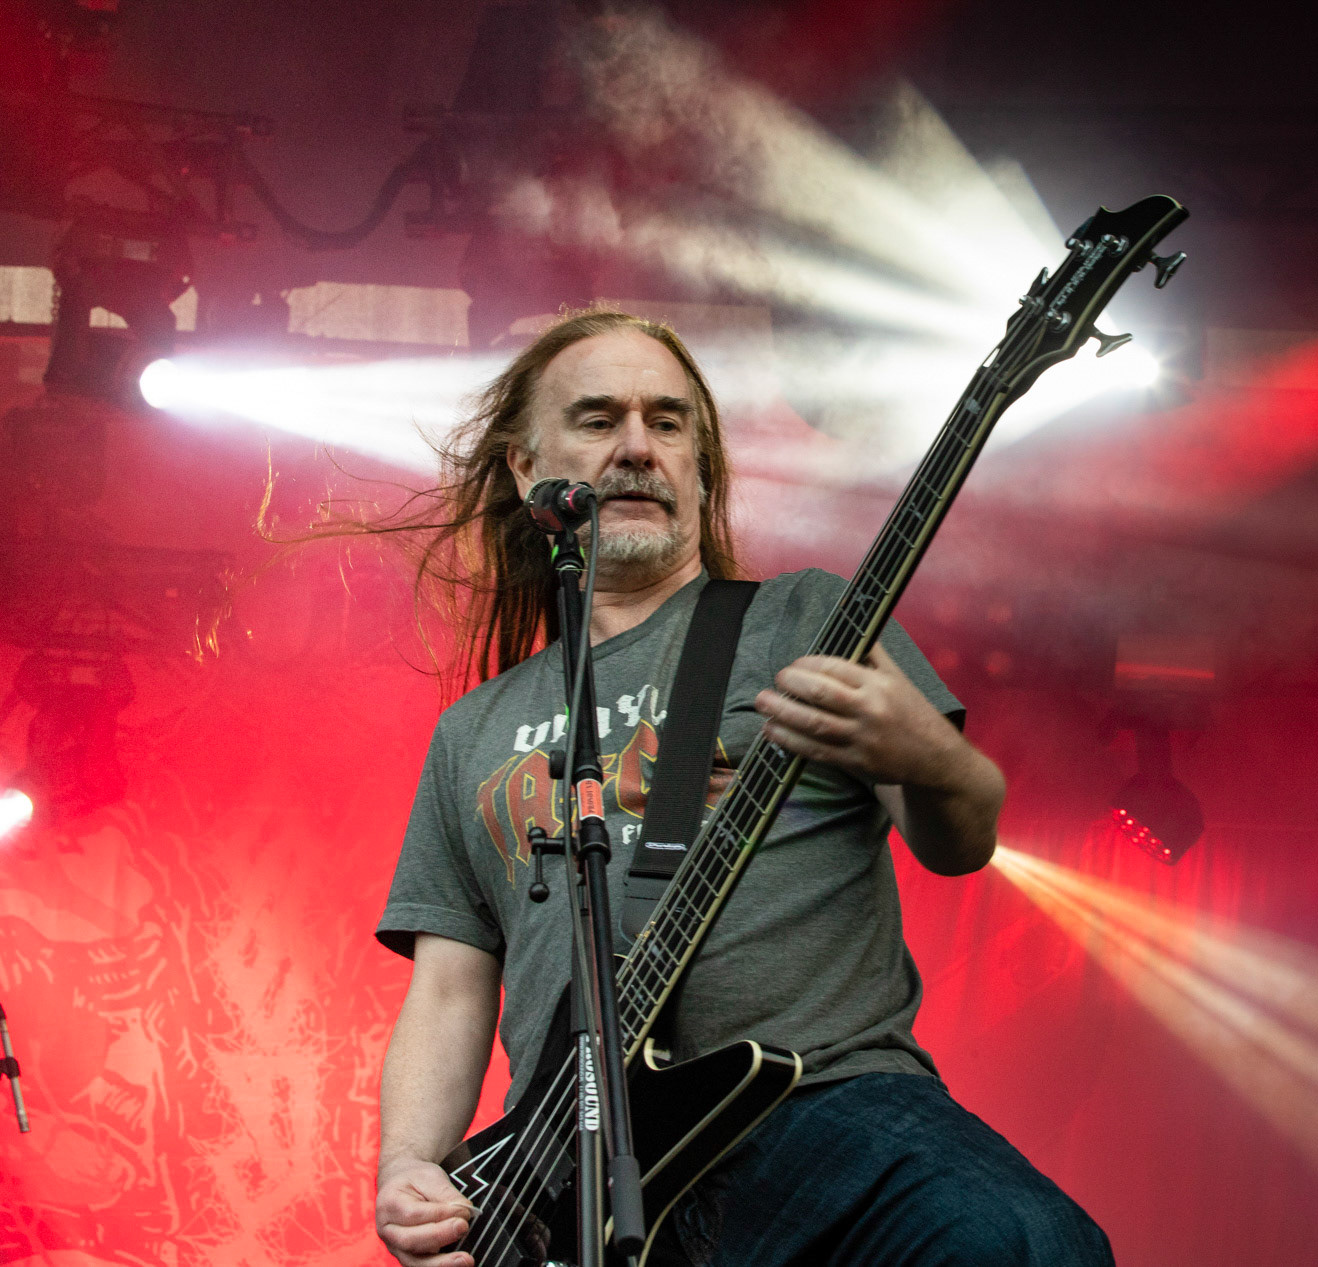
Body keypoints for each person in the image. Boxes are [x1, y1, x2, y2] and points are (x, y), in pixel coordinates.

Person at [372, 308, 1112, 1266]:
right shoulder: (472, 728)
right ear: (525, 469)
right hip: (567, 1168)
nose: (639, 447)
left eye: (669, 422)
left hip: (824, 1100)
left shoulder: (801, 616)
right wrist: (409, 1168)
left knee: (1020, 1242)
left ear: (700, 466)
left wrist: (934, 757)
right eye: (599, 420)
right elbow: (448, 991)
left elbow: (956, 842)